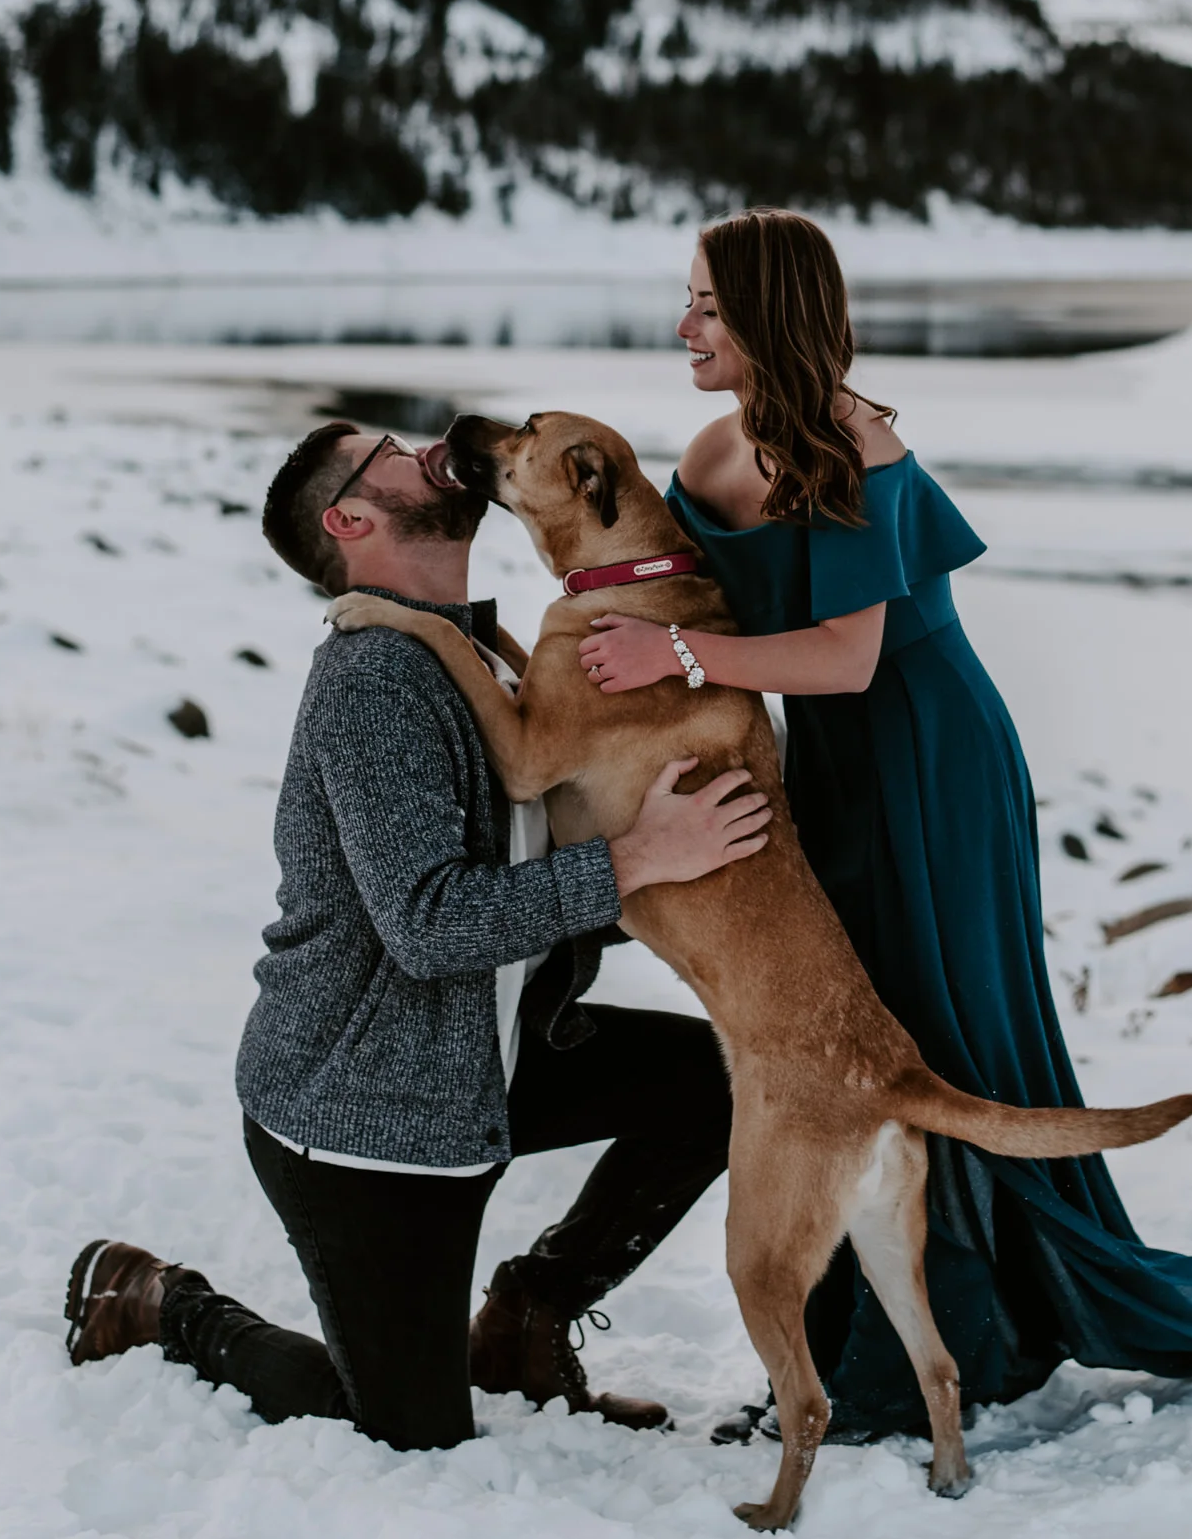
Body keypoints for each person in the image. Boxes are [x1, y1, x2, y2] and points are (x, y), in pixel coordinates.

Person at [577, 209, 1192, 1441]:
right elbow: (656, 574)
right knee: (851, 1043)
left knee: (941, 1034)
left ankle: (944, 1353)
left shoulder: (856, 447)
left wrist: (673, 650)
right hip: (834, 767)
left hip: (930, 756)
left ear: (767, 316)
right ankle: (865, 1340)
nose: (682, 326)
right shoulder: (708, 444)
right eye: (684, 301)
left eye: (707, 307)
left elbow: (846, 659)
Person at [65, 421, 770, 1454]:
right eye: (385, 450)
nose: (425, 444)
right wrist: (634, 862)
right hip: (366, 1108)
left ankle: (527, 1317)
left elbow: (533, 868)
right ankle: (160, 1301)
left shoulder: (479, 647)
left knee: (723, 1081)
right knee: (400, 1430)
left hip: (485, 1060)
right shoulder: (376, 680)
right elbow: (431, 926)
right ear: (350, 519)